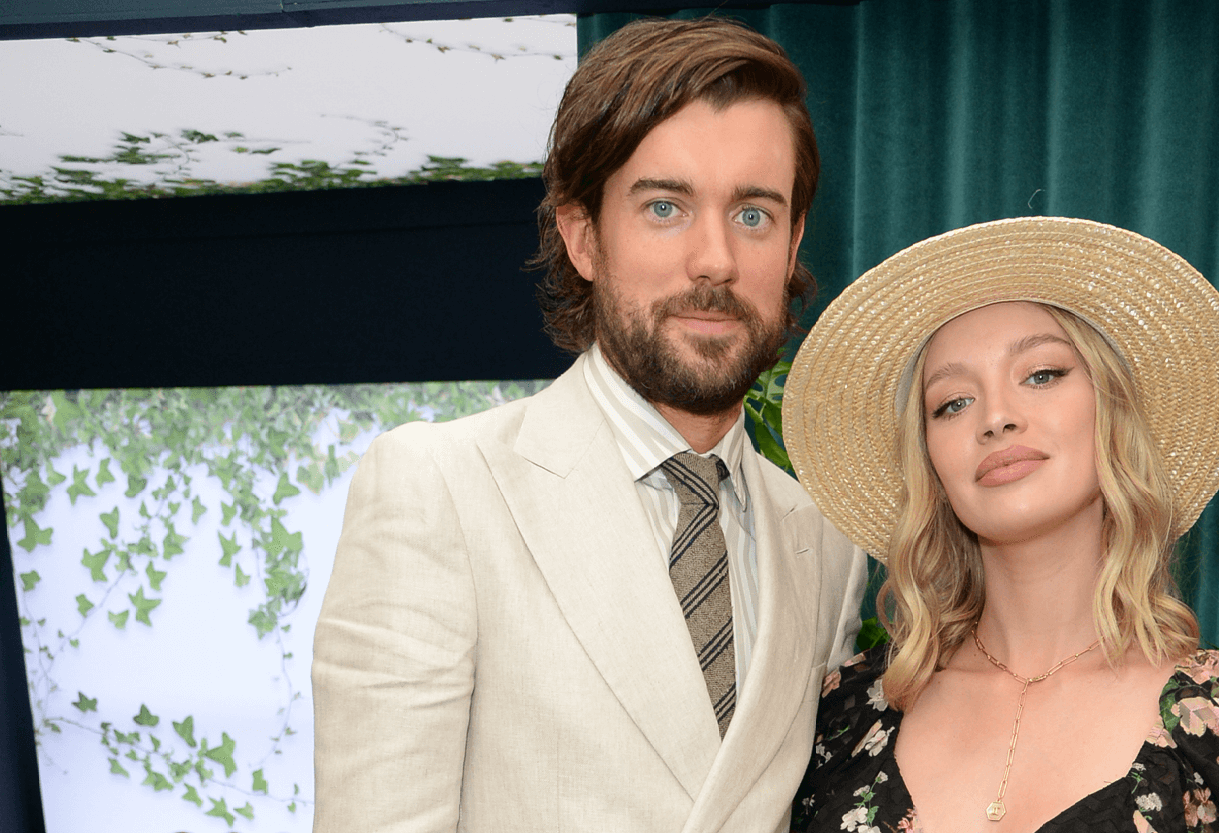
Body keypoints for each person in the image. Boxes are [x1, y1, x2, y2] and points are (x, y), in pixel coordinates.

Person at [311, 17, 868, 832]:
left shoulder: (826, 536)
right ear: (582, 237)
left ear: (791, 247)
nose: (714, 258)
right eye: (666, 207)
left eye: (753, 214)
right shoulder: (441, 488)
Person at [781, 217, 1219, 832]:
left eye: (1041, 374)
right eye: (952, 402)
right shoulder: (845, 711)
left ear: (1111, 409)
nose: (996, 417)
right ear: (929, 462)